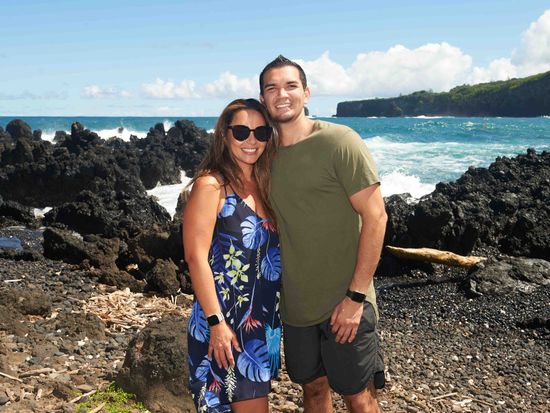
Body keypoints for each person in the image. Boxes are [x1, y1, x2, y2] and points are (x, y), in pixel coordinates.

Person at [259, 55, 387, 413]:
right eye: (271, 88)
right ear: (263, 98)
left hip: (345, 300)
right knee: (313, 391)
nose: (281, 94)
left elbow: (376, 217)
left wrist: (356, 298)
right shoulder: (263, 155)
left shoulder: (340, 141)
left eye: (290, 85)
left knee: (359, 396)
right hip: (296, 306)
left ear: (306, 92)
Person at [183, 98, 281, 413]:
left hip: (258, 321)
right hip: (222, 321)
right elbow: (195, 256)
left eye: (261, 132)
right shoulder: (211, 185)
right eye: (241, 131)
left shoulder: (267, 185)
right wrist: (216, 323)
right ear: (225, 135)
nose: (251, 140)